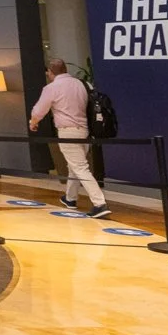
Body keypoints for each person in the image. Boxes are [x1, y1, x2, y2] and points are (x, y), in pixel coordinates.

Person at [29, 57, 110, 218]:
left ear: (50, 72)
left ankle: (99, 203)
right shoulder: (81, 84)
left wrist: (33, 122)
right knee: (74, 166)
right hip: (84, 130)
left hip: (67, 131)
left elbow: (39, 111)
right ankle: (70, 198)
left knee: (80, 167)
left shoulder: (51, 88)